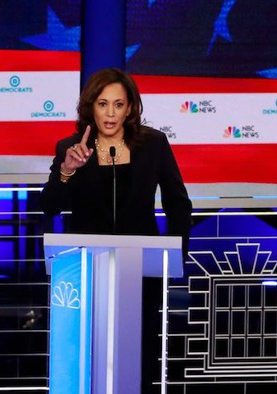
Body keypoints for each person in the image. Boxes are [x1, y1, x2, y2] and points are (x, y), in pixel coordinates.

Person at [41, 68, 192, 394]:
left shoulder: (153, 144)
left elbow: (178, 203)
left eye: (118, 105)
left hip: (141, 270)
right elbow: (49, 206)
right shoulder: (70, 147)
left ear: (130, 108)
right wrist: (66, 171)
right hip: (86, 271)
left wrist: (174, 259)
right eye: (102, 104)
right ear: (90, 107)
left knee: (141, 351)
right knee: (88, 349)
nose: (110, 114)